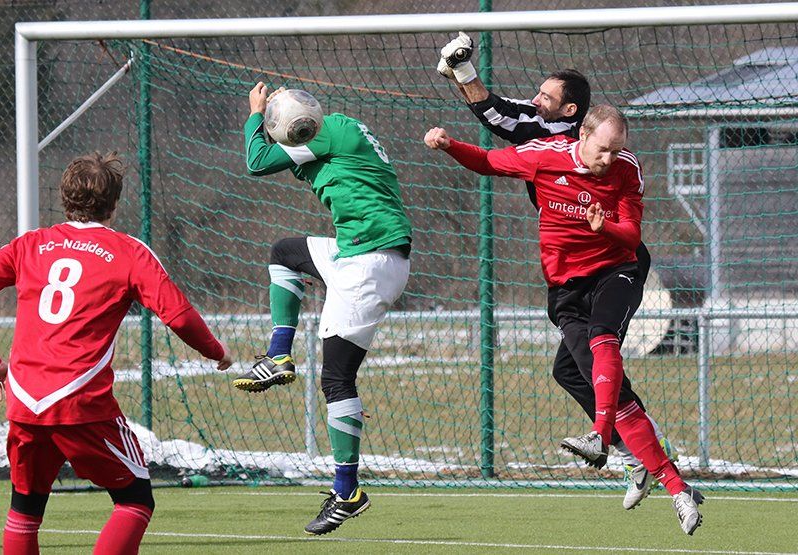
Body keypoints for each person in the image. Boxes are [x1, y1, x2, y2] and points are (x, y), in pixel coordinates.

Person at [424, 105, 704, 536]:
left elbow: (632, 234)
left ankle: (605, 438)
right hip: (566, 286)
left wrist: (604, 228)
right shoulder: (544, 155)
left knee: (602, 337)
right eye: (603, 149)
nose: (608, 159)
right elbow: (488, 162)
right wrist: (448, 145)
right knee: (572, 372)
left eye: (616, 150)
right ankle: (654, 469)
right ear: (582, 135)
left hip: (617, 268)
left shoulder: (626, 168)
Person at [437, 31, 676, 509]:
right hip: (577, 268)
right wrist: (461, 76)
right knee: (569, 370)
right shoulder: (546, 131)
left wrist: (463, 72)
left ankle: (639, 448)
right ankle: (629, 446)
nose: (535, 101)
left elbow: (499, 116)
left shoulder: (566, 137)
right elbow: (501, 114)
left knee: (595, 354)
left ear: (571, 114)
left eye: (545, 97)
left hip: (614, 261)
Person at [0, 152, 233, 555]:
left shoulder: (30, 245)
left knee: (25, 508)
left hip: (25, 401)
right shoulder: (128, 251)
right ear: (114, 203)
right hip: (79, 401)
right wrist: (216, 350)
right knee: (135, 500)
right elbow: (177, 315)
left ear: (64, 197)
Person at [233, 84, 412, 535]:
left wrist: (257, 114)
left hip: (370, 263)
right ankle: (279, 354)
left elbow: (256, 161)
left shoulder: (328, 131)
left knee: (336, 380)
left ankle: (347, 492)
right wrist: (276, 118)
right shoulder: (334, 132)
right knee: (285, 253)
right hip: (359, 252)